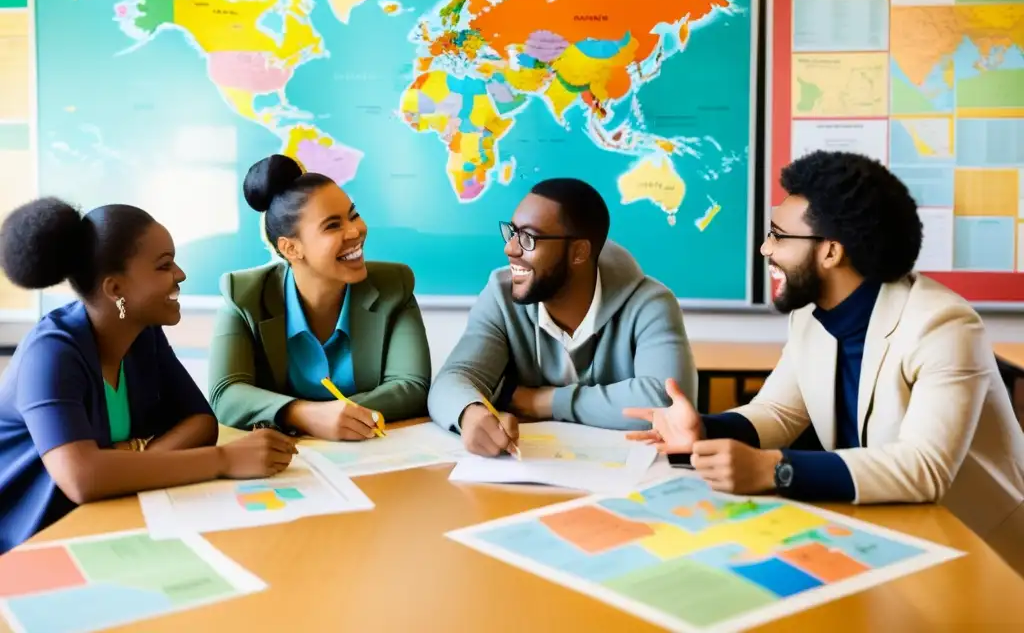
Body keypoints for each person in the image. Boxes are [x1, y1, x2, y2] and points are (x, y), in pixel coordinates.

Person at [625, 150, 1024, 575]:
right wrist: (706, 427)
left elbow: (924, 468)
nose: (765, 248)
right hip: (889, 529)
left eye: (778, 235)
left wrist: (775, 470)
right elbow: (779, 412)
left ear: (831, 252)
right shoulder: (811, 315)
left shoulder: (943, 325)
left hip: (979, 550)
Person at [0, 197, 297, 553]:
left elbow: (201, 422)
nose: (181, 275)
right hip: (33, 541)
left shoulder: (142, 332)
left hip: (107, 516)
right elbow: (82, 478)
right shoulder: (50, 354)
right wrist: (226, 460)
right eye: (164, 266)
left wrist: (125, 463)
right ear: (115, 289)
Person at [428, 177, 698, 456]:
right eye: (512, 232)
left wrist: (540, 401)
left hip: (625, 477)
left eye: (528, 238)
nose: (510, 249)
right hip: (529, 473)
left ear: (579, 252)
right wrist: (470, 413)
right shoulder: (501, 294)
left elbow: (667, 403)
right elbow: (453, 380)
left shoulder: (651, 304)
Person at [208, 154, 430, 439]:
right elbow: (226, 394)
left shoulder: (392, 286)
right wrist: (305, 415)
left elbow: (411, 386)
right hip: (288, 460)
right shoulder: (243, 295)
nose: (356, 231)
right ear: (290, 249)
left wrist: (341, 415)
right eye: (332, 226)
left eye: (353, 215)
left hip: (371, 453)